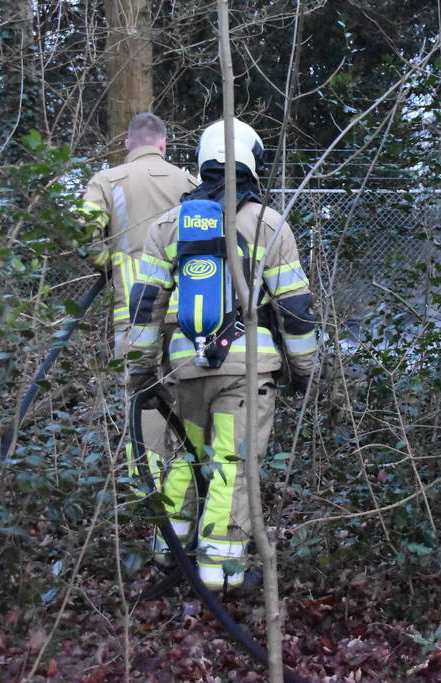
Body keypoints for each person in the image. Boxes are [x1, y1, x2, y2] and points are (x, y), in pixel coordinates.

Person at [125, 118, 317, 592]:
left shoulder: (168, 226)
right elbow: (295, 311)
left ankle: (169, 558)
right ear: (253, 160)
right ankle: (220, 576)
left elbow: (144, 307)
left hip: (185, 372)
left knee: (186, 461)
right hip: (247, 375)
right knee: (232, 465)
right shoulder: (269, 225)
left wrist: (142, 374)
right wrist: (305, 371)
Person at [78, 113, 197, 560]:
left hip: (134, 314)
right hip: (187, 317)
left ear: (128, 143)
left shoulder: (106, 179)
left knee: (143, 401)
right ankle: (190, 492)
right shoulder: (188, 180)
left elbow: (83, 231)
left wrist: (106, 260)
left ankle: (150, 501)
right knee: (187, 402)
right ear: (164, 144)